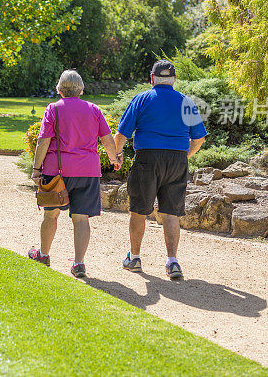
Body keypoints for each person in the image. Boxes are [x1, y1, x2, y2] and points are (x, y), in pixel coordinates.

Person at [114, 60, 207, 280]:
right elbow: (199, 137)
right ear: (174, 79)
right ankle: (172, 262)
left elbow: (121, 135)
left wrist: (117, 155)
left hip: (147, 158)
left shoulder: (141, 99)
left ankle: (134, 258)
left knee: (138, 209)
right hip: (176, 160)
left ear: (152, 78)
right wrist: (185, 156)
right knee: (171, 212)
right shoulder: (186, 101)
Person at [28, 70, 122, 278]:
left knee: (51, 214)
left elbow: (43, 141)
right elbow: (107, 139)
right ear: (81, 89)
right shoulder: (93, 109)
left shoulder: (53, 109)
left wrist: (36, 169)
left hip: (56, 172)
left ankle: (43, 255)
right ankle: (78, 263)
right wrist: (114, 159)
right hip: (87, 171)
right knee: (81, 218)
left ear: (59, 89)